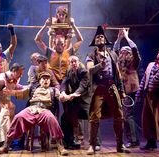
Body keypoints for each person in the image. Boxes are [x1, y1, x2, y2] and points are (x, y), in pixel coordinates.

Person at [0, 72, 68, 156]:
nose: (46, 80)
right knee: (18, 117)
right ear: (39, 80)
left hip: (44, 109)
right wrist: (11, 92)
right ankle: (6, 145)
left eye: (48, 79)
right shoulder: (33, 88)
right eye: (44, 78)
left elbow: (60, 97)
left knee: (52, 119)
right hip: (32, 108)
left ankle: (60, 146)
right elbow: (21, 92)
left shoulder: (53, 90)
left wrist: (64, 97)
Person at [85, 26, 130, 155]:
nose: (99, 38)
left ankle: (120, 144)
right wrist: (100, 65)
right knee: (94, 117)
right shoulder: (91, 55)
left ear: (105, 40)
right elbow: (89, 70)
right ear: (95, 41)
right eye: (97, 37)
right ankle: (92, 146)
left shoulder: (112, 54)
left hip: (112, 87)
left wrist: (121, 90)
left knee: (119, 116)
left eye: (101, 36)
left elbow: (118, 74)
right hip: (98, 88)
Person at [113, 29, 141, 148]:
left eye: (126, 52)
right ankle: (132, 139)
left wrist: (127, 37)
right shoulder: (119, 64)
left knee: (128, 115)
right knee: (124, 116)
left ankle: (134, 140)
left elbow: (135, 50)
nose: (123, 54)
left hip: (130, 91)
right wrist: (119, 38)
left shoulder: (134, 62)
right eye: (122, 52)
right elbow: (114, 51)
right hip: (121, 91)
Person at [35, 16, 83, 83]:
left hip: (66, 82)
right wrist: (45, 25)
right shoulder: (50, 52)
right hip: (53, 82)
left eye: (61, 44)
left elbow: (80, 40)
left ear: (64, 44)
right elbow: (37, 40)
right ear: (54, 44)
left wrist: (73, 25)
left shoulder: (69, 52)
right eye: (58, 44)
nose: (60, 46)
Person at [59, 55, 90, 149]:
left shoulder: (84, 72)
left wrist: (73, 94)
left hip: (85, 102)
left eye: (75, 61)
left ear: (79, 61)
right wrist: (63, 92)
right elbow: (64, 81)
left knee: (92, 118)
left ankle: (95, 143)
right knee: (65, 117)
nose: (74, 63)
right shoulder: (70, 71)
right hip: (76, 102)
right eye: (71, 62)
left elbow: (82, 86)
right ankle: (69, 141)